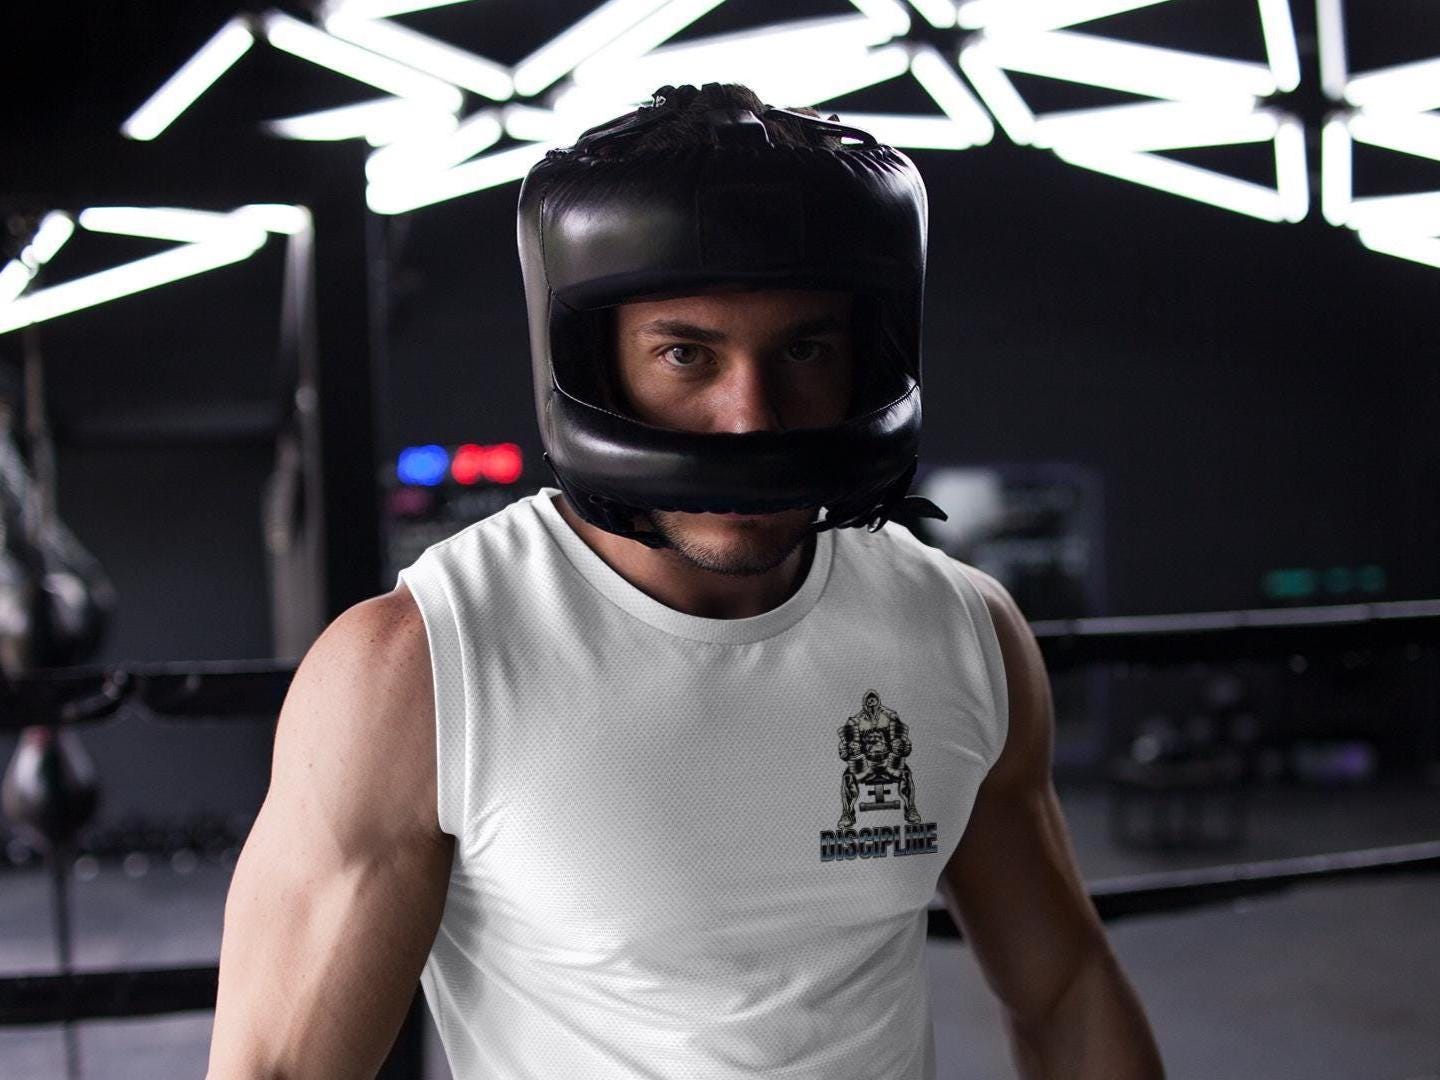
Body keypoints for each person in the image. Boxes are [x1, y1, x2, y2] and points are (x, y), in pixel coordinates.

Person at [207, 83, 1164, 1079]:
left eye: (804, 348)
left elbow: (1065, 990)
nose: (751, 417)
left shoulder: (959, 631)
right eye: (685, 354)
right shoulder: (420, 671)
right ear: (596, 365)